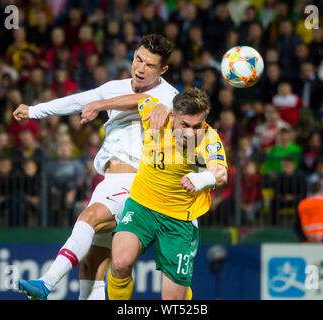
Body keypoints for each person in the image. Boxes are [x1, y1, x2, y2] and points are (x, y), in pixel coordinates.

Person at [14, 34, 178, 300]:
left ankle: (46, 283)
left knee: (88, 218)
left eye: (150, 65)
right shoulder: (115, 86)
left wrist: (101, 105)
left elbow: (142, 103)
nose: (140, 68)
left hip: (136, 184)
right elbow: (76, 101)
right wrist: (33, 111)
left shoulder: (169, 96)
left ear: (163, 70)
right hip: (108, 182)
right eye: (138, 59)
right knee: (91, 264)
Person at [97, 88, 228, 300]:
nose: (189, 133)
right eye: (184, 125)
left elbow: (220, 173)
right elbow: (139, 99)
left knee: (172, 301)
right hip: (142, 206)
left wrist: (202, 178)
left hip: (179, 220)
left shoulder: (208, 138)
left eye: (197, 127)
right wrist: (99, 105)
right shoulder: (157, 117)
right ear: (173, 116)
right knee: (120, 262)